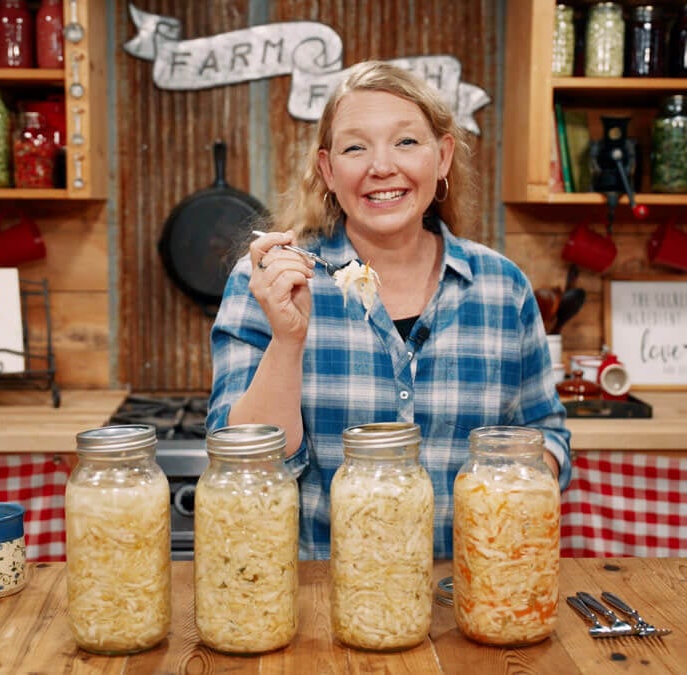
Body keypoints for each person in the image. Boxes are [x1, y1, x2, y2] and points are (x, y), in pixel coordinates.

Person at [207, 60, 570, 560]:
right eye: (356, 147)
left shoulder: (501, 288)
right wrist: (288, 340)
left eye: (405, 142)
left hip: (464, 599)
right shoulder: (270, 282)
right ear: (328, 170)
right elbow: (245, 470)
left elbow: (545, 433)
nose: (382, 166)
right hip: (318, 604)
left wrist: (513, 494)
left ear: (442, 157)